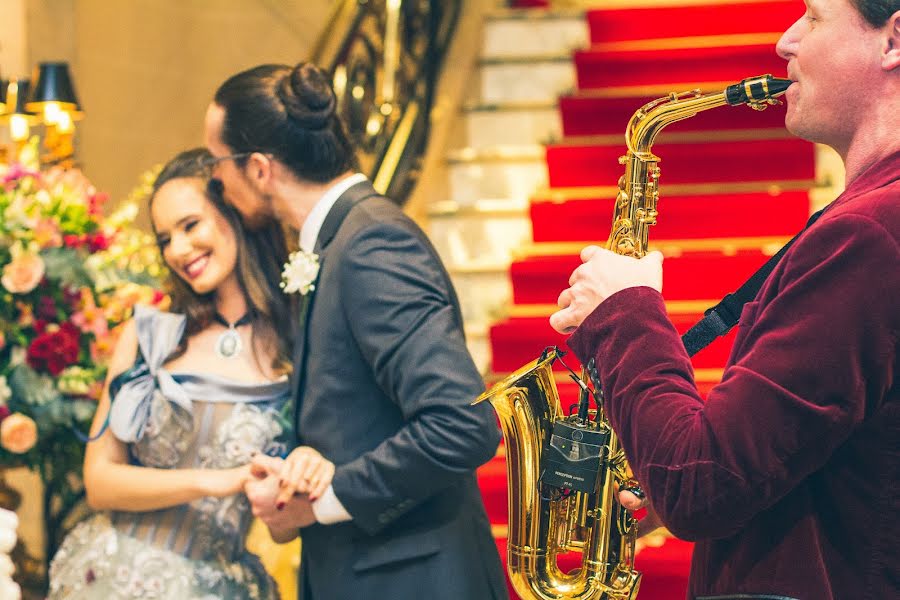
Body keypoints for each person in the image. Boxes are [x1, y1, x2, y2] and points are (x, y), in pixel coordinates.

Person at [549, 1, 899, 599]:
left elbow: (701, 487)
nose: (785, 42)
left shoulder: (869, 233)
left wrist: (626, 309)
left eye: (812, 18)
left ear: (894, 41)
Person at [203, 62, 508, 599]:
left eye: (217, 163)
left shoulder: (372, 245)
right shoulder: (337, 242)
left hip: (414, 580)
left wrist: (323, 501)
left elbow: (462, 425)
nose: (215, 182)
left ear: (257, 168)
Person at [48, 148, 297, 599]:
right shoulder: (149, 335)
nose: (178, 250)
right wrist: (213, 481)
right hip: (110, 580)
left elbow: (287, 529)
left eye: (190, 226)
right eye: (165, 238)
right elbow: (100, 482)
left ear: (236, 213)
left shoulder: (298, 348)